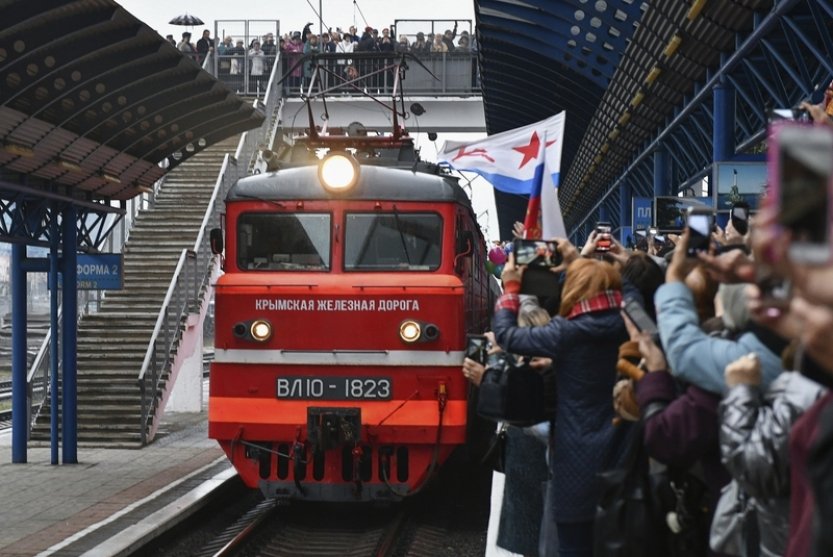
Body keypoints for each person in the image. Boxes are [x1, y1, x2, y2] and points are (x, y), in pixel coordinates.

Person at [493, 252, 631, 557]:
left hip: (575, 461)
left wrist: (511, 289)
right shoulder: (631, 324)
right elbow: (637, 286)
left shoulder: (567, 332)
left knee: (573, 546)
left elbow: (506, 334)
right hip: (626, 455)